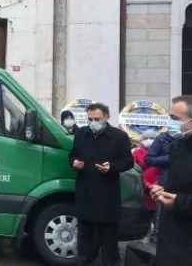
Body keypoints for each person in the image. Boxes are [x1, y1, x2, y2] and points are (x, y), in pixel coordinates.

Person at [68, 102, 134, 266]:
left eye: (97, 118)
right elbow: (72, 154)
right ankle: (83, 260)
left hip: (107, 194)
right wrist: (74, 162)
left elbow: (128, 161)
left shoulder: (119, 136)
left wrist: (111, 167)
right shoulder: (82, 134)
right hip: (86, 191)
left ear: (106, 117)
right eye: (89, 119)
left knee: (109, 240)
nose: (93, 122)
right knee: (84, 236)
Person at [149, 95, 192, 266]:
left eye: (175, 118)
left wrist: (179, 202)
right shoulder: (179, 145)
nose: (170, 122)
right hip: (171, 236)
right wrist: (162, 191)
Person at [144, 120, 175, 246]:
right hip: (165, 186)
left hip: (186, 190)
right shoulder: (163, 138)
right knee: (160, 224)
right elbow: (149, 159)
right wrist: (171, 158)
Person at [131, 129, 159, 242]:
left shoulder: (160, 152)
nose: (149, 141)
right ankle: (143, 236)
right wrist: (146, 184)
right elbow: (132, 171)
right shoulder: (136, 153)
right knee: (143, 215)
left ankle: (155, 238)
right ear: (142, 140)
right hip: (142, 189)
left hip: (158, 189)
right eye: (146, 138)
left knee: (158, 216)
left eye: (152, 138)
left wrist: (157, 184)